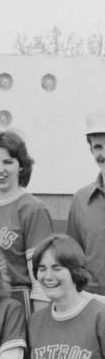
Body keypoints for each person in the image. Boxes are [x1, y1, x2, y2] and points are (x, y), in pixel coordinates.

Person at [0, 130, 53, 317]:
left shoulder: (33, 209)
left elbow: (42, 276)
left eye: (8, 162)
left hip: (17, 303)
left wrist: (39, 324)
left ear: (21, 166)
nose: (0, 170)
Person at [66, 109, 105, 295]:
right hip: (91, 303)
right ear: (90, 149)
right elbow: (72, 259)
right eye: (98, 147)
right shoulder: (80, 200)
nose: (104, 153)